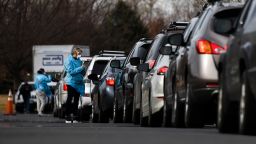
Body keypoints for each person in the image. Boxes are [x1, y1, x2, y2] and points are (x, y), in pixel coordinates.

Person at [64, 48, 86, 123]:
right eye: (79, 53)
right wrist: (81, 68)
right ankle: (67, 117)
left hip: (79, 82)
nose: (80, 55)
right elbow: (71, 72)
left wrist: (84, 69)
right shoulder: (68, 60)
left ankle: (75, 117)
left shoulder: (79, 61)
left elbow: (82, 72)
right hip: (71, 82)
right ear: (75, 53)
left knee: (76, 100)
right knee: (70, 98)